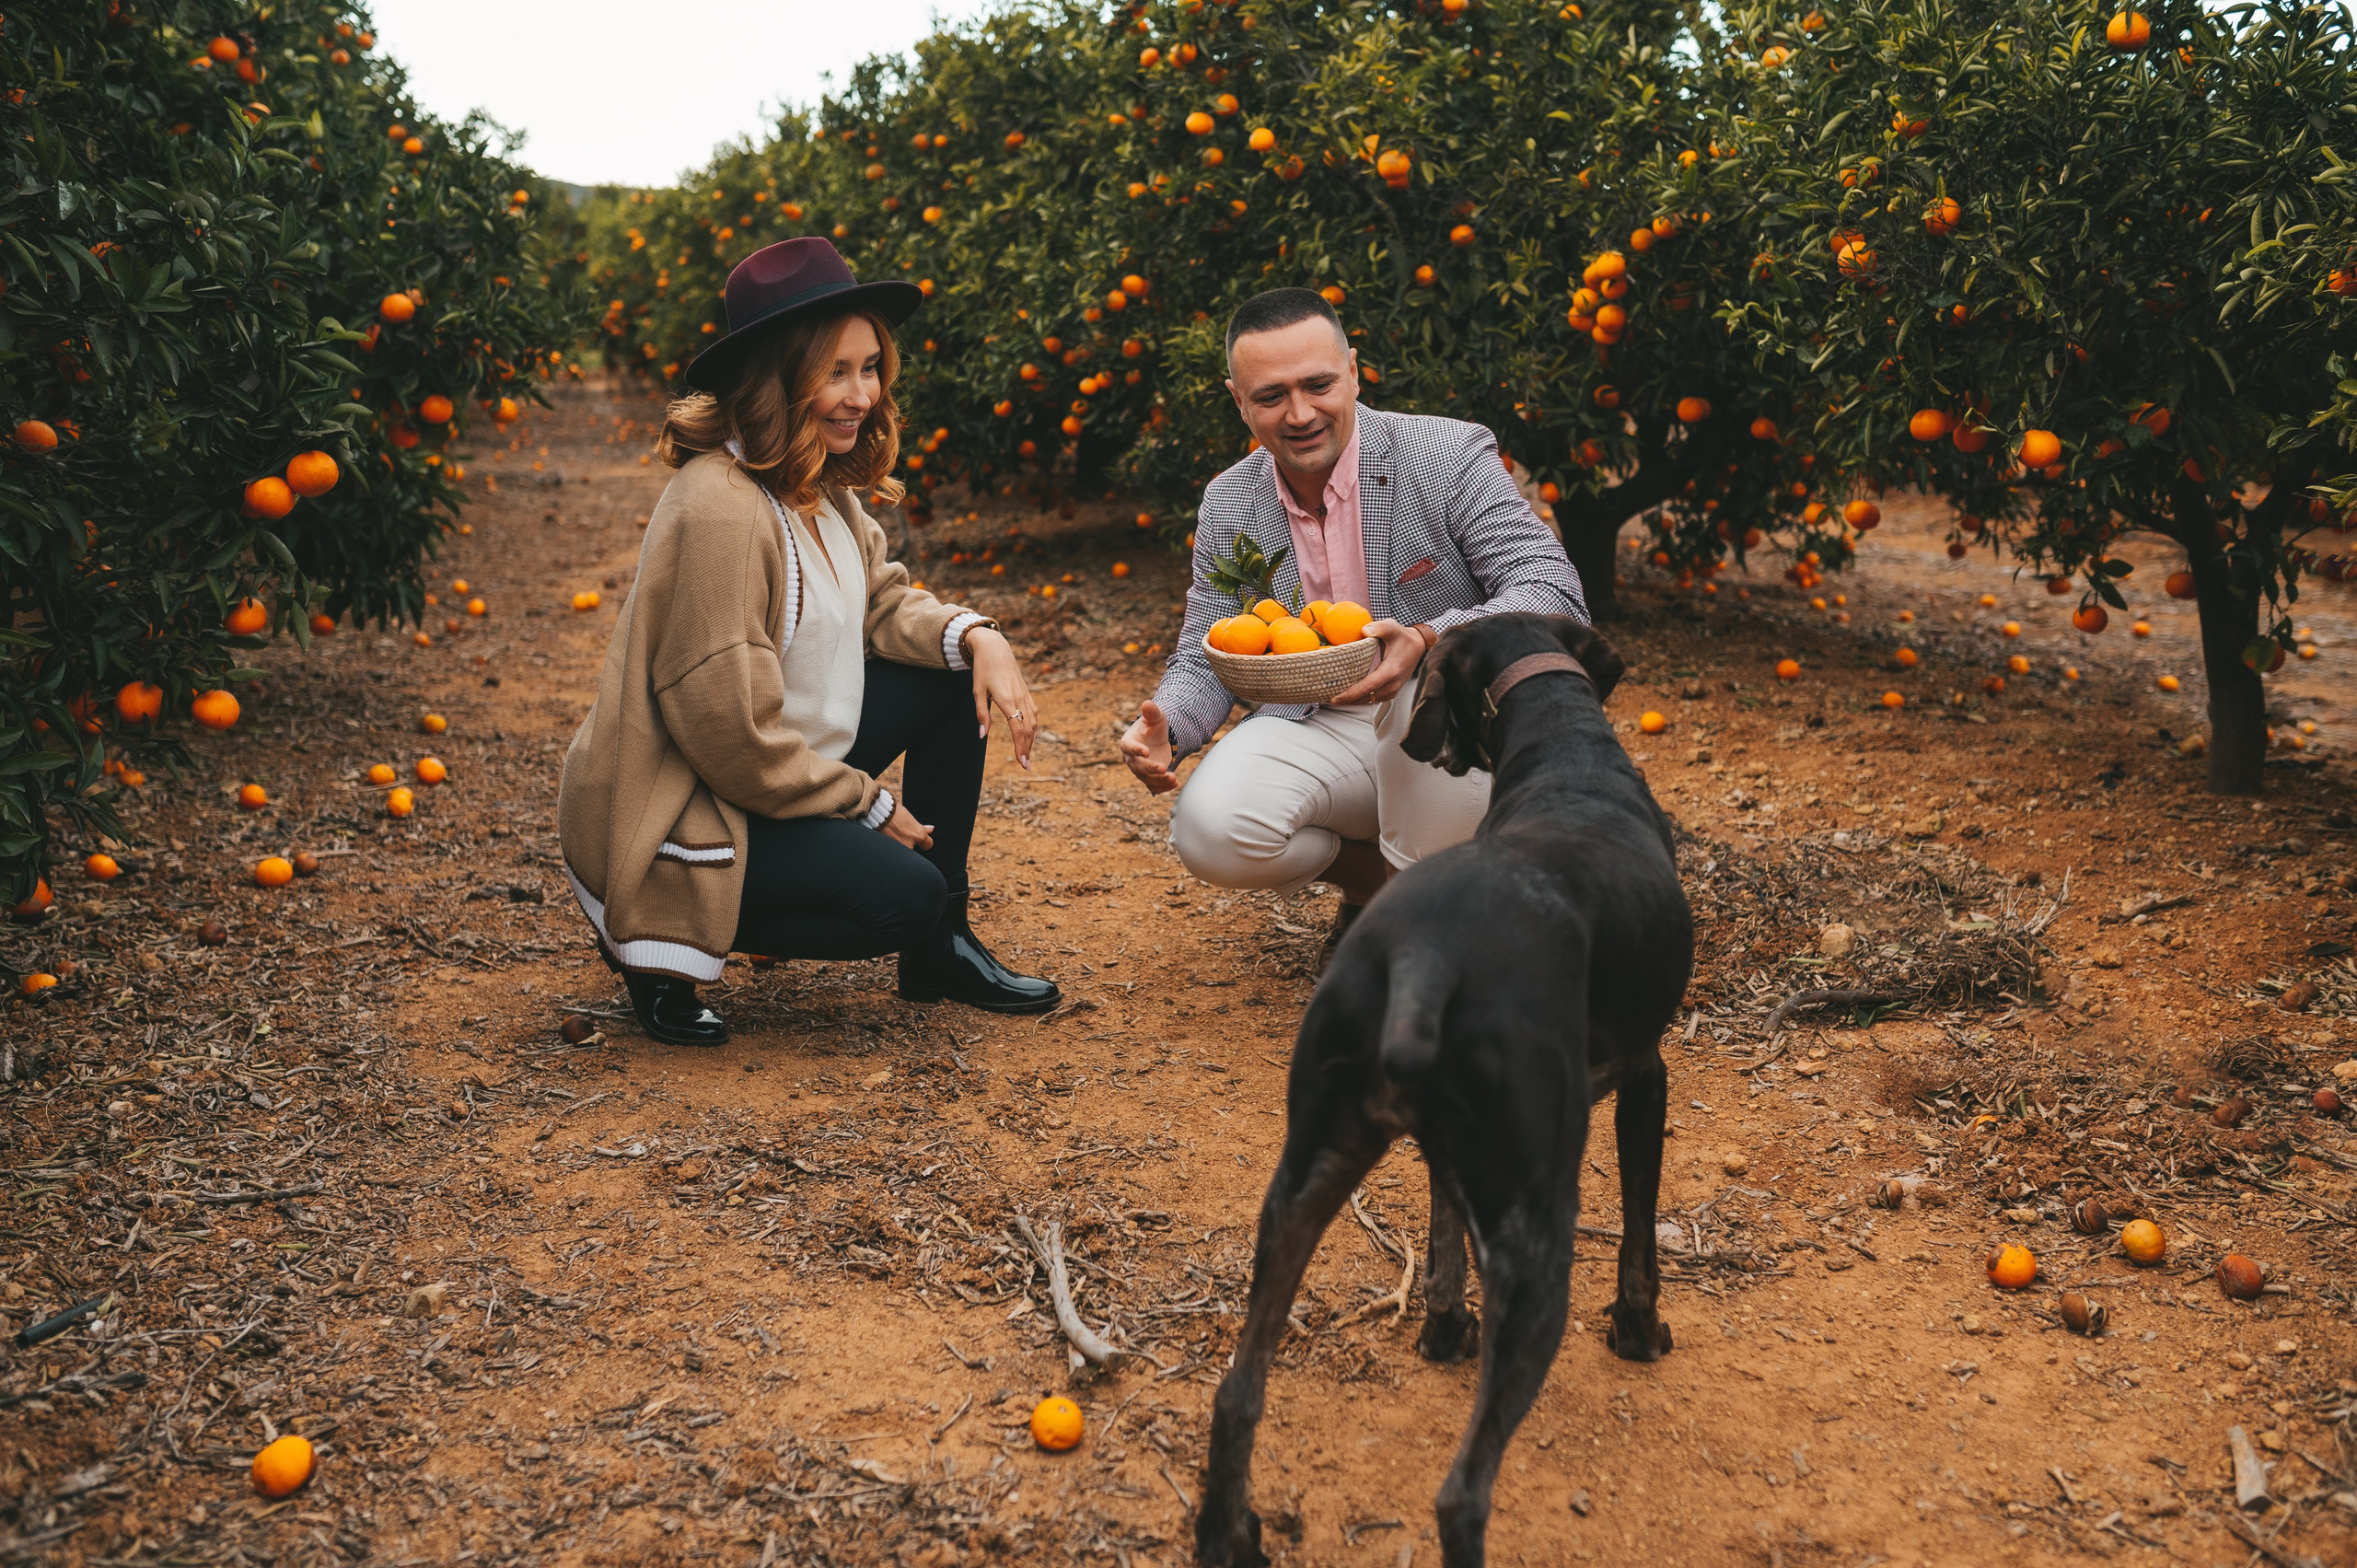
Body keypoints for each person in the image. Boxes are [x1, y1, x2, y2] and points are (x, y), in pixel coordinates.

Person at [558, 237, 1060, 1045]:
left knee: (946, 678)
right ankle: (657, 946)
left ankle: (940, 955)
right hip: (690, 802)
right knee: (903, 895)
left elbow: (883, 601)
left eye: (869, 367)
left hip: (766, 769)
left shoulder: (812, 482)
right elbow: (730, 738)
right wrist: (867, 803)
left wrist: (978, 636)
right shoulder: (720, 508)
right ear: (775, 376)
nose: (860, 394)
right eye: (833, 371)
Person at [1119, 287, 1587, 952]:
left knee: (1413, 717)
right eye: (1272, 396)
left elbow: (1553, 591)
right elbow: (1209, 647)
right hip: (1317, 721)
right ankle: (1382, 887)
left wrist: (1429, 639)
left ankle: (1434, 928)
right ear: (1238, 400)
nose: (1300, 413)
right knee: (1212, 831)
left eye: (1317, 384)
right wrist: (1171, 725)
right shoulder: (1230, 500)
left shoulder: (1447, 455)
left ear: (1355, 372)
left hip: (1449, 711)